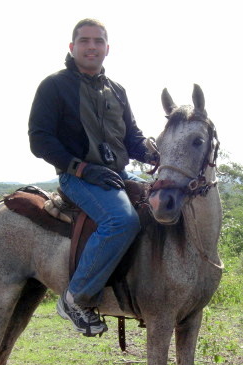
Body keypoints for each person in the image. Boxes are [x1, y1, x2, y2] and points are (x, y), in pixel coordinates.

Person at [28, 18, 158, 337]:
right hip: (79, 178)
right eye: (84, 41)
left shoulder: (117, 90)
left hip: (116, 175)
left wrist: (153, 151)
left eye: (98, 41)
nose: (91, 47)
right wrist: (82, 168)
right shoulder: (54, 86)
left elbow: (132, 137)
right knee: (121, 222)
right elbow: (39, 139)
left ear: (107, 49)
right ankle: (77, 298)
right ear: (72, 48)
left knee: (161, 214)